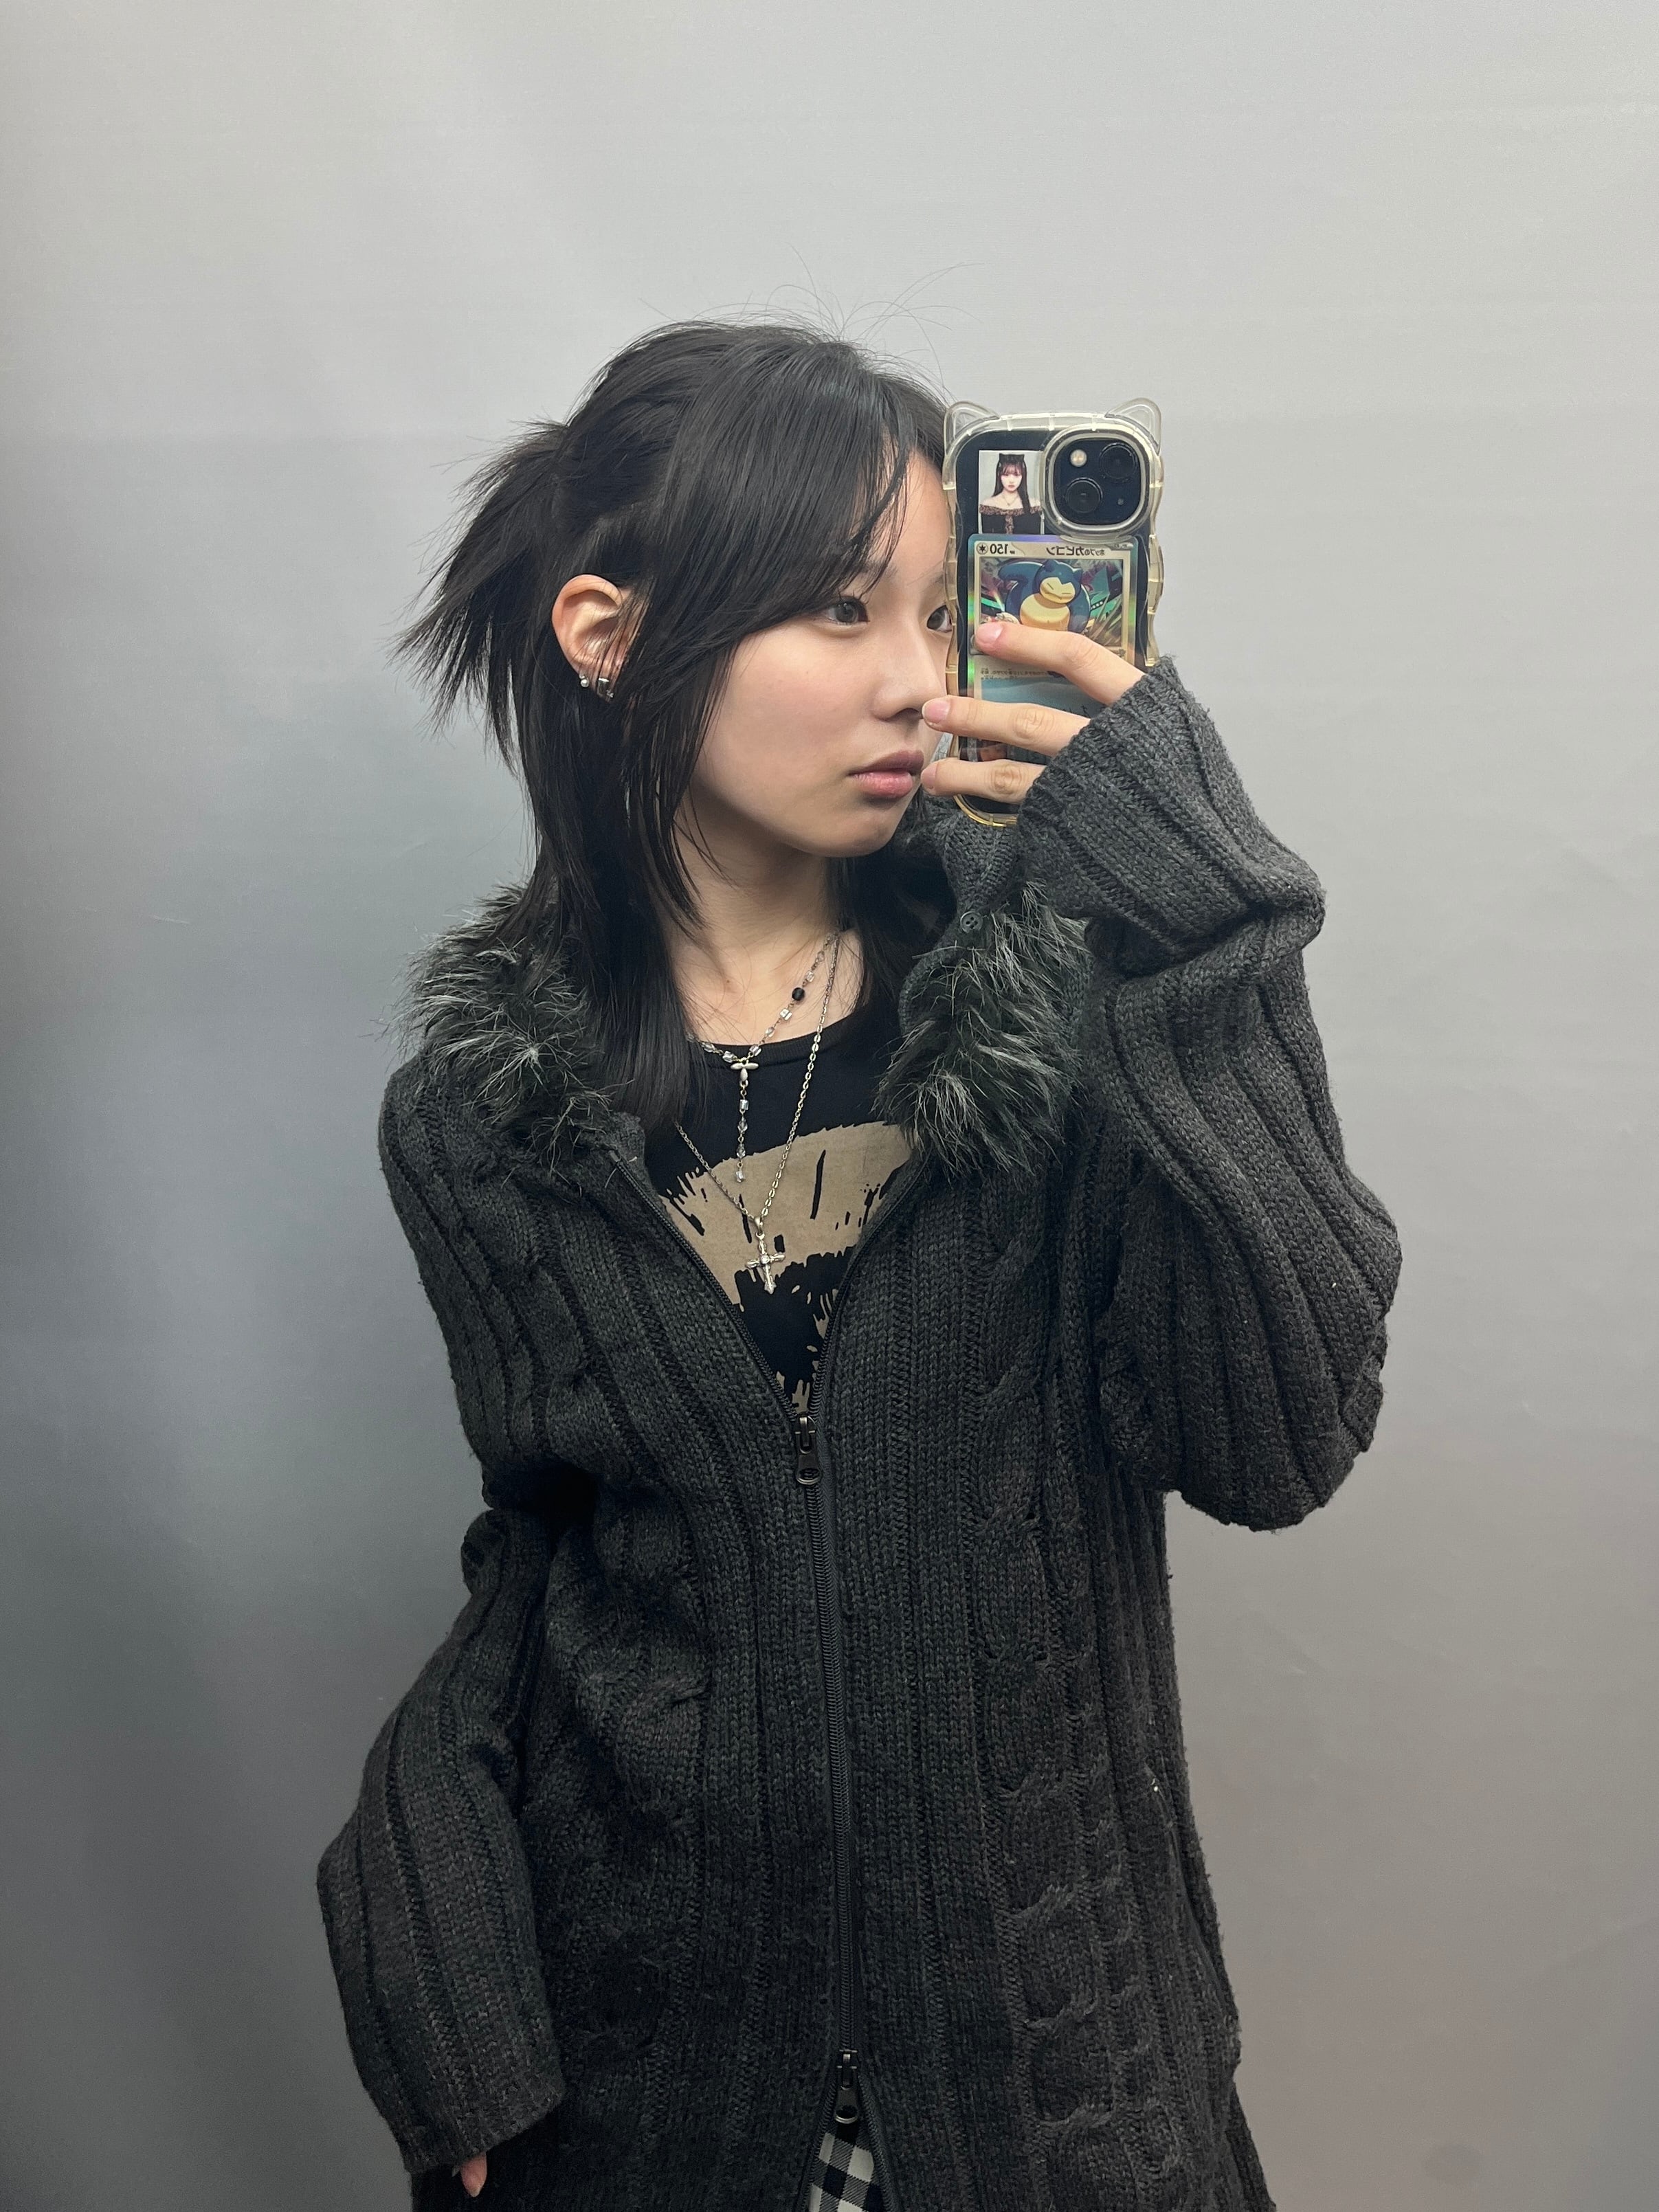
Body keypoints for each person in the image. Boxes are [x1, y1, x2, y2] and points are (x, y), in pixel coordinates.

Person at [316, 320, 1401, 2212]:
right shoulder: (478, 1120)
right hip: (642, 2096)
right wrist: (426, 1891)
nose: (916, 677)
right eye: (838, 609)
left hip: (1052, 2090)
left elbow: (1275, 1434)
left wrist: (1201, 936)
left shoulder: (1068, 1017)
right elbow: (550, 1545)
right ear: (608, 633)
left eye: (939, 610)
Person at [978, 449, 1043, 534]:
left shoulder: (1034, 505)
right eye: (1006, 475)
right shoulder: (988, 505)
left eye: (1016, 475)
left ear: (1023, 476)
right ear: (999, 475)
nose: (1011, 480)